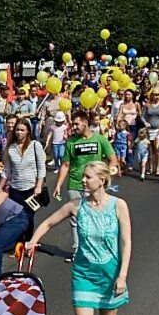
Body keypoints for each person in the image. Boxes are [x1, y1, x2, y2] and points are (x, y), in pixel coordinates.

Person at [27, 161, 130, 315]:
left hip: (110, 273)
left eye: (88, 177)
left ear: (102, 180)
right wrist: (33, 241)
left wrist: (122, 275)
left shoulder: (118, 206)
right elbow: (49, 222)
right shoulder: (76, 206)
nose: (83, 180)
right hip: (83, 273)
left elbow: (127, 242)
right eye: (83, 176)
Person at [52, 110, 117, 262]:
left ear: (85, 123)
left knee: (95, 217)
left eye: (76, 124)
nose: (73, 127)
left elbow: (112, 159)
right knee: (76, 218)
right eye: (72, 124)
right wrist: (58, 185)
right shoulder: (71, 142)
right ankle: (78, 251)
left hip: (94, 186)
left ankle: (97, 249)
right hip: (75, 184)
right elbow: (66, 165)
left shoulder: (100, 140)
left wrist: (107, 175)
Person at [0, 120, 47, 239]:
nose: (19, 133)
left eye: (22, 130)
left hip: (31, 189)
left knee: (29, 217)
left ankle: (29, 242)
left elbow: (41, 168)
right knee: (16, 217)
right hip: (15, 189)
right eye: (17, 130)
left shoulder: (35, 145)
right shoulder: (11, 148)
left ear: (28, 131)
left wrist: (38, 186)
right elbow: (7, 170)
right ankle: (18, 243)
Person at [142, 91, 159, 176]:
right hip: (149, 130)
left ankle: (158, 169)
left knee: (157, 149)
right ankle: (150, 168)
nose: (156, 96)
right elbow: (142, 116)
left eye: (157, 94)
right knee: (150, 149)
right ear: (151, 95)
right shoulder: (147, 105)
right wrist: (145, 122)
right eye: (154, 94)